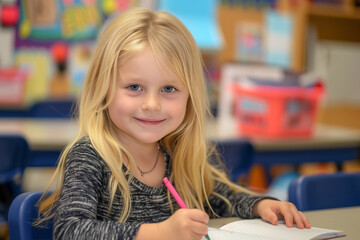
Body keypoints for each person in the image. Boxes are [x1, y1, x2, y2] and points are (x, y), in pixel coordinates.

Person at [37, 7, 311, 240]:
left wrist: (260, 205)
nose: (152, 104)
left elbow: (222, 198)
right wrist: (159, 232)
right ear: (103, 88)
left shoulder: (176, 155)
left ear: (190, 95)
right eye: (134, 87)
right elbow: (69, 230)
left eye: (169, 89)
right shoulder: (91, 156)